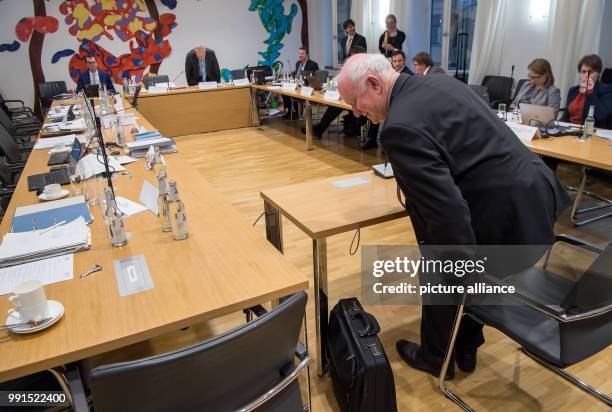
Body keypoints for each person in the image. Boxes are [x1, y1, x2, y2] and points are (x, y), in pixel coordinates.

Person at [337, 54, 570, 380]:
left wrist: (451, 272)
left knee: (441, 268)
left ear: (375, 84)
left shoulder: (398, 126)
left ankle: (436, 358)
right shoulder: (440, 82)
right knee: (462, 268)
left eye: (355, 102)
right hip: (534, 198)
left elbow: (446, 213)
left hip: (503, 215)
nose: (356, 112)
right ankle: (466, 345)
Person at [360, 50, 414, 150]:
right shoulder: (388, 71)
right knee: (375, 109)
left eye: (399, 61)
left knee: (384, 111)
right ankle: (371, 139)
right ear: (391, 61)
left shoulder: (408, 75)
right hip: (387, 101)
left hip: (400, 105)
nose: (397, 64)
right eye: (395, 61)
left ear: (404, 61)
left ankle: (387, 144)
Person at [563, 54, 612, 128]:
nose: (586, 75)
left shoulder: (607, 90)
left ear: (598, 73)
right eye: (583, 71)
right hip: (570, 130)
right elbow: (566, 117)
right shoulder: (573, 90)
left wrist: (590, 92)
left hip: (592, 132)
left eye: (590, 72)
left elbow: (599, 116)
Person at [283, 47, 320, 119]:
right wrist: (291, 76)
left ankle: (296, 113)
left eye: (302, 53)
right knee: (284, 92)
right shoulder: (298, 63)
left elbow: (316, 78)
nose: (300, 55)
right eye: (299, 53)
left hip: (307, 87)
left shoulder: (313, 64)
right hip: (298, 85)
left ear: (307, 55)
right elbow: (296, 73)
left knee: (294, 93)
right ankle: (290, 110)